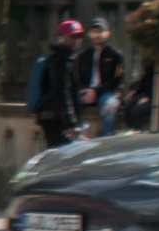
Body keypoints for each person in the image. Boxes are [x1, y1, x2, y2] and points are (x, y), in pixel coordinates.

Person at [29, 18, 83, 148]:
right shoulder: (59, 61)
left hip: (56, 117)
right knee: (58, 157)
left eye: (79, 36)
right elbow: (62, 92)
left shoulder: (69, 58)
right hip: (54, 118)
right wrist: (70, 124)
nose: (76, 40)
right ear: (62, 37)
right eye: (72, 36)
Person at [75, 16, 126, 136]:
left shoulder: (116, 55)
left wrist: (96, 91)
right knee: (70, 103)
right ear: (89, 34)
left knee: (109, 108)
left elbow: (117, 81)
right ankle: (73, 136)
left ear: (107, 33)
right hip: (87, 92)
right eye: (94, 32)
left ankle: (106, 139)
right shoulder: (83, 56)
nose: (97, 35)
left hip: (108, 93)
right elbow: (78, 78)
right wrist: (85, 90)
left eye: (100, 31)